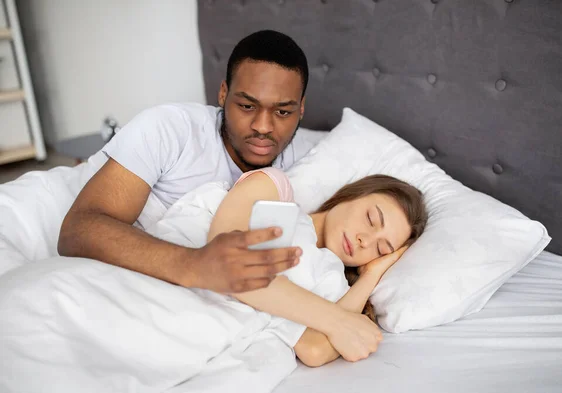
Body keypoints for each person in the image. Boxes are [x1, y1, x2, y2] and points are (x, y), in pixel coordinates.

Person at [57, 29, 389, 362]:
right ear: (222, 93)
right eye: (247, 105)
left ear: (301, 109)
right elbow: (78, 230)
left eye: (283, 112)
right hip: (123, 292)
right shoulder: (168, 130)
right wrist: (194, 265)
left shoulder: (309, 163)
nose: (263, 126)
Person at [206, 168, 428, 367]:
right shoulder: (275, 191)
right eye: (370, 219)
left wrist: (371, 276)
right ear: (352, 194)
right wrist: (338, 322)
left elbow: (314, 350)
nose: (365, 240)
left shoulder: (335, 287)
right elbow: (223, 262)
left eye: (380, 249)